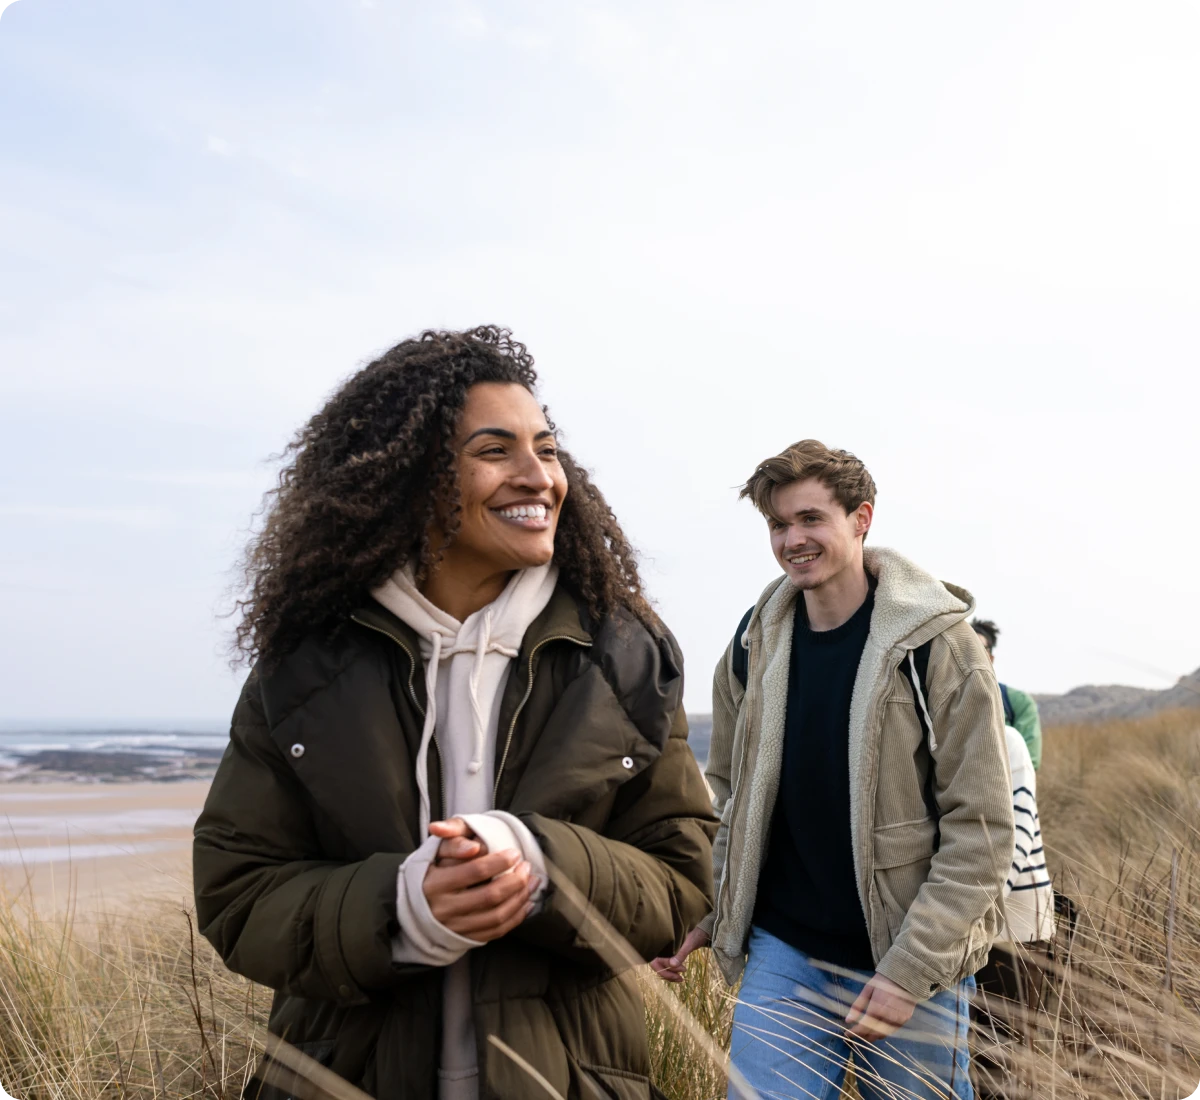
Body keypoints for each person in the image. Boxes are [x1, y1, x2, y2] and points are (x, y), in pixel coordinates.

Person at [193, 326, 717, 1100]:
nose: (539, 476)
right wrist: (403, 906)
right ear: (410, 478)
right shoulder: (306, 666)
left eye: (547, 446)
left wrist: (541, 866)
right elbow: (238, 892)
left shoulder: (625, 656)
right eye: (495, 450)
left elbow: (682, 879)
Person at [653, 439, 1014, 1100]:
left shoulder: (938, 647)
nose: (793, 539)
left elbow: (983, 830)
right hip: (785, 953)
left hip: (907, 955)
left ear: (861, 518)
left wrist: (910, 970)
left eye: (810, 519)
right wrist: (713, 907)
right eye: (778, 524)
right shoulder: (752, 642)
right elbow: (728, 795)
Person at [971, 722, 1056, 1098]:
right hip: (952, 932)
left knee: (998, 1068)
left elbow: (1014, 842)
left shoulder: (1005, 738)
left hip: (1014, 931)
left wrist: (959, 918)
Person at [970, 619, 1043, 769]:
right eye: (966, 647)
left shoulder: (1019, 703)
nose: (972, 654)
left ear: (991, 658)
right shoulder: (937, 701)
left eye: (981, 648)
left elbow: (1030, 760)